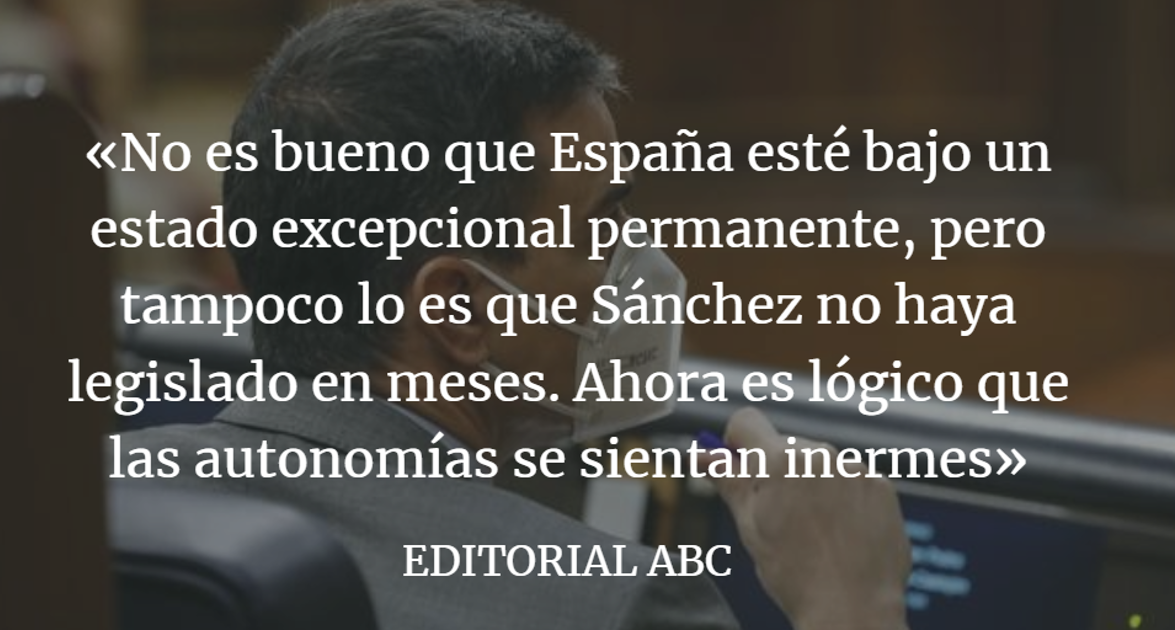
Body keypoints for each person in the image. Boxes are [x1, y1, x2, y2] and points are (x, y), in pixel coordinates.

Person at [114, 1, 911, 628]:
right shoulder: (610, 605)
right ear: (461, 309)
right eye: (601, 228)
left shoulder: (90, 507)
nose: (643, 265)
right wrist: (851, 602)